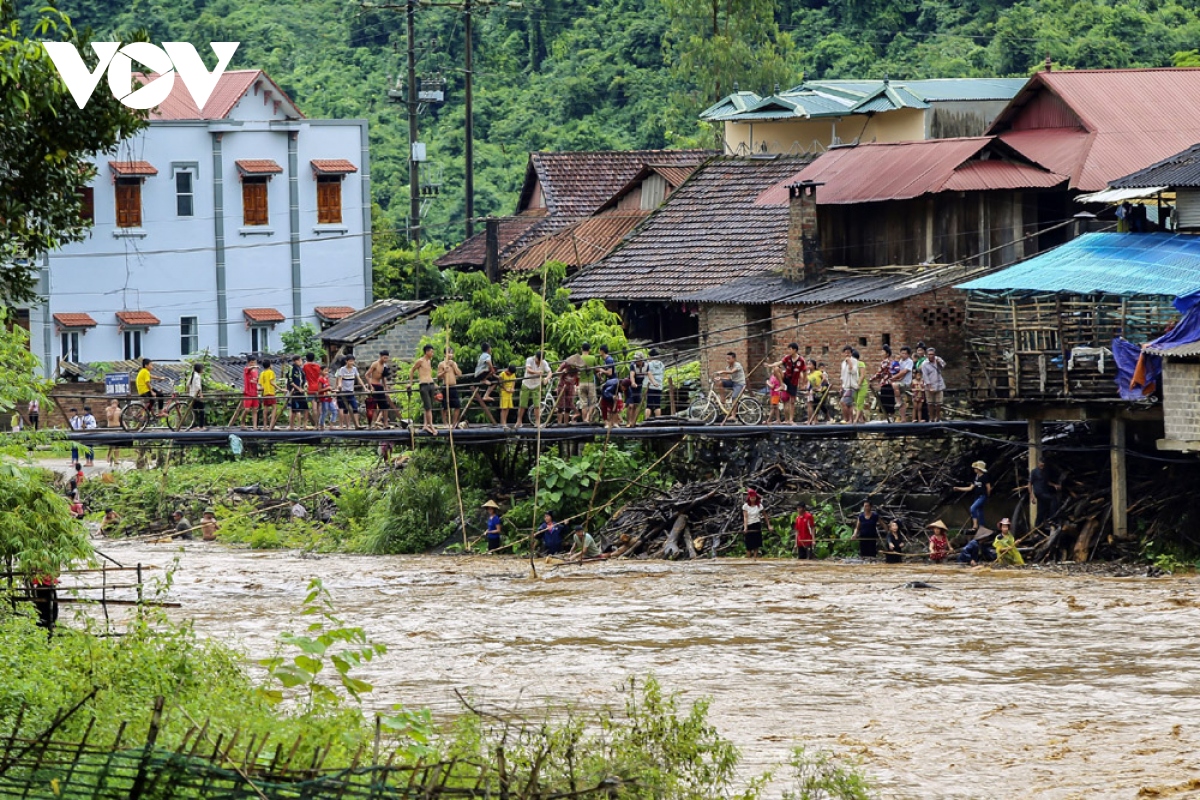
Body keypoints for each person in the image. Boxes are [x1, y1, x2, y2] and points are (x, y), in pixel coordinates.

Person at [770, 343, 805, 425]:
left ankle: (789, 420)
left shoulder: (801, 360)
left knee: (789, 402)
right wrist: (770, 365)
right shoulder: (787, 358)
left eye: (790, 349)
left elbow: (802, 371)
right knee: (775, 405)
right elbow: (779, 363)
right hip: (775, 393)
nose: (788, 351)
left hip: (791, 384)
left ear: (794, 350)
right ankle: (780, 419)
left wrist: (803, 382)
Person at [955, 460, 991, 531]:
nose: (974, 469)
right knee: (979, 511)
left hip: (982, 496)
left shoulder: (985, 477)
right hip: (977, 496)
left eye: (975, 468)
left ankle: (975, 525)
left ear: (979, 469)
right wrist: (958, 488)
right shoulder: (976, 477)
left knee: (972, 508)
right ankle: (982, 526)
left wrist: (987, 496)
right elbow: (970, 488)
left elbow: (988, 487)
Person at [518, 351, 552, 429]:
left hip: (536, 385)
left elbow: (550, 372)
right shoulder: (529, 360)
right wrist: (538, 372)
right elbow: (528, 370)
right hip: (526, 384)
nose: (539, 362)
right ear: (536, 357)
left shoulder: (544, 362)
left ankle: (537, 422)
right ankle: (519, 421)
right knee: (522, 404)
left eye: (540, 361)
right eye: (538, 360)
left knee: (537, 405)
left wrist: (547, 378)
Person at [410, 344, 438, 435]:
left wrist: (434, 383)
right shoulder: (420, 361)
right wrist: (410, 383)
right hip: (424, 385)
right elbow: (412, 370)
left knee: (429, 407)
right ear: (426, 352)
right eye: (431, 351)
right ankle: (431, 426)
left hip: (431, 384)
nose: (432, 353)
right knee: (428, 407)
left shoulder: (429, 361)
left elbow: (428, 374)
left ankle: (426, 424)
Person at [1028, 457, 1062, 530]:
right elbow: (1030, 484)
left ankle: (1037, 526)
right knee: (1053, 499)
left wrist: (1054, 485)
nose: (1042, 466)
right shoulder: (1034, 472)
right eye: (1041, 465)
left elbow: (1047, 482)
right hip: (1039, 492)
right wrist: (1031, 496)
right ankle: (1052, 518)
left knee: (1041, 510)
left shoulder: (1045, 472)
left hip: (1044, 491)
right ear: (1038, 463)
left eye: (1043, 465)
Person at [365, 351, 395, 429]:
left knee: (384, 406)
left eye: (387, 358)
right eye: (384, 358)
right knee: (373, 406)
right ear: (380, 356)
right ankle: (373, 424)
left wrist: (386, 388)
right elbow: (367, 375)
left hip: (379, 386)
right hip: (373, 385)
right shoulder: (375, 364)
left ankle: (385, 423)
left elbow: (383, 378)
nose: (385, 359)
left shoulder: (384, 366)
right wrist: (370, 386)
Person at [229, 357, 260, 429]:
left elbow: (256, 381)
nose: (254, 364)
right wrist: (254, 366)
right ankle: (242, 423)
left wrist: (259, 387)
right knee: (247, 409)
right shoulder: (246, 369)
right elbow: (248, 369)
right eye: (252, 362)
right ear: (249, 362)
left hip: (255, 392)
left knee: (255, 410)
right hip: (248, 393)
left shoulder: (256, 371)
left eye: (255, 362)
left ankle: (255, 426)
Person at [437, 348, 464, 428]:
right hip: (446, 387)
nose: (451, 355)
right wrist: (444, 372)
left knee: (457, 406)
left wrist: (453, 366)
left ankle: (454, 423)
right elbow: (438, 377)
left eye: (452, 353)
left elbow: (459, 374)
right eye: (449, 353)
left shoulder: (454, 363)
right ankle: (445, 423)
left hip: (453, 387)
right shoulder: (441, 364)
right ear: (445, 354)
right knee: (445, 406)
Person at [335, 355, 362, 429]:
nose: (352, 362)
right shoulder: (342, 369)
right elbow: (339, 380)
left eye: (353, 361)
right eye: (350, 361)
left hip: (351, 391)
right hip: (343, 392)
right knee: (345, 409)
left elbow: (359, 378)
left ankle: (357, 424)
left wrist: (364, 387)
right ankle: (348, 426)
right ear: (346, 361)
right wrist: (339, 386)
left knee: (355, 407)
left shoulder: (354, 369)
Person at [871, 345, 897, 422]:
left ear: (887, 354)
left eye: (883, 351)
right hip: (886, 383)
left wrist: (871, 379)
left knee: (887, 401)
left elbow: (879, 373)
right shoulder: (889, 362)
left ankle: (889, 418)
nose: (881, 353)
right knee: (887, 401)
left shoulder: (886, 362)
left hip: (887, 383)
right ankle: (889, 418)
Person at [920, 347, 946, 422]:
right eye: (929, 354)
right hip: (929, 385)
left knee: (939, 403)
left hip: (939, 383)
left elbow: (943, 366)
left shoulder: (938, 359)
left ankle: (938, 417)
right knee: (930, 403)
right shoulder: (924, 364)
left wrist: (938, 363)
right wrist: (929, 387)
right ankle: (931, 418)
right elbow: (925, 376)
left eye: (932, 354)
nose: (931, 356)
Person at [741, 488, 769, 559]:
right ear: (749, 498)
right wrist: (745, 527)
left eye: (754, 498)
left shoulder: (759, 505)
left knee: (756, 544)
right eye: (751, 498)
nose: (752, 499)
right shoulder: (745, 506)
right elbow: (745, 517)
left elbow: (765, 515)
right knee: (749, 545)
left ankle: (755, 558)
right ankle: (748, 559)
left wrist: (769, 525)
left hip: (756, 524)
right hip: (749, 525)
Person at [286, 355, 310, 430]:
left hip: (302, 391)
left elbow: (304, 379)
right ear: (295, 361)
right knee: (294, 410)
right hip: (295, 392)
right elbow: (291, 381)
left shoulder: (301, 370)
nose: (301, 362)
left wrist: (305, 385)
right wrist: (298, 388)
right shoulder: (291, 368)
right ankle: (292, 426)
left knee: (306, 409)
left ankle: (305, 425)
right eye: (300, 360)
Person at [577, 343, 598, 423]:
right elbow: (596, 369)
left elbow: (577, 370)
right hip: (590, 383)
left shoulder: (579, 358)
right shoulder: (592, 358)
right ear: (589, 350)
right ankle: (588, 419)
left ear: (581, 349)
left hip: (581, 383)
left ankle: (584, 421)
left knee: (583, 404)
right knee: (593, 402)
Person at [626, 353, 648, 426]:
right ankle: (628, 422)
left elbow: (649, 374)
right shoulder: (633, 365)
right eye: (636, 359)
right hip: (631, 387)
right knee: (630, 405)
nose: (636, 361)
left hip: (639, 386)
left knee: (635, 405)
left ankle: (633, 422)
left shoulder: (646, 365)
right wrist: (633, 382)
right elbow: (631, 375)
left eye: (638, 359)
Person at [894, 346, 914, 423]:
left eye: (905, 353)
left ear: (908, 354)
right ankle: (903, 418)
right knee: (901, 400)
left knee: (895, 385)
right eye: (901, 353)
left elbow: (904, 372)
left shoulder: (909, 361)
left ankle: (898, 401)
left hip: (905, 383)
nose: (903, 355)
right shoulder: (900, 361)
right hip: (899, 382)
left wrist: (895, 377)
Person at [839, 347, 859, 424]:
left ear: (851, 353)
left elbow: (853, 371)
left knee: (843, 402)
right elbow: (842, 375)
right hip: (845, 385)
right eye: (846, 352)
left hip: (851, 386)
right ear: (843, 353)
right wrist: (841, 386)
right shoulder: (843, 363)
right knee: (849, 404)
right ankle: (850, 420)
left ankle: (847, 419)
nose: (847, 354)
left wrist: (850, 362)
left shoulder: (854, 361)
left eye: (849, 352)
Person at [259, 359, 280, 430]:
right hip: (271, 392)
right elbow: (271, 382)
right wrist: (279, 388)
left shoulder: (262, 373)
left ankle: (265, 426)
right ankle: (271, 425)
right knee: (274, 408)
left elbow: (261, 386)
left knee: (265, 410)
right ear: (270, 365)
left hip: (265, 393)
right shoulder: (271, 372)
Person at [645, 349, 666, 419]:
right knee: (657, 404)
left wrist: (653, 382)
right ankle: (658, 419)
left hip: (651, 386)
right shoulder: (661, 364)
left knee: (649, 405)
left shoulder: (649, 364)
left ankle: (646, 419)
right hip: (659, 386)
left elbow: (648, 373)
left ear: (651, 356)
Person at [303, 352, 323, 424]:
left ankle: (316, 424)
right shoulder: (318, 366)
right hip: (318, 387)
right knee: (319, 406)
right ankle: (321, 423)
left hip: (310, 388)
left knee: (314, 407)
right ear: (314, 358)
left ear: (306, 358)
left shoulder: (305, 366)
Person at [186, 363, 207, 429]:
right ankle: (201, 426)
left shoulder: (192, 375)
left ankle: (193, 425)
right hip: (197, 396)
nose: (203, 370)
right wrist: (201, 395)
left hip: (192, 396)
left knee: (194, 412)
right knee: (202, 411)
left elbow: (187, 385)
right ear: (199, 369)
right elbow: (198, 387)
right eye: (202, 368)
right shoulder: (197, 376)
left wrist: (189, 392)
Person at [911, 345, 928, 423]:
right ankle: (915, 419)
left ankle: (923, 418)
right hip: (916, 388)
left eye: (921, 350)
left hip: (924, 382)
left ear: (924, 351)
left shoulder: (925, 360)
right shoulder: (917, 361)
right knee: (915, 407)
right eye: (918, 350)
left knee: (923, 405)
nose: (919, 352)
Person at [105, 399, 122, 465]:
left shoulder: (119, 410)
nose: (114, 404)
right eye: (113, 403)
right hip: (111, 427)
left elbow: (121, 419)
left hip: (118, 427)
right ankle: (108, 456)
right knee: (111, 443)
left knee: (118, 444)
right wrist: (113, 410)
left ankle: (116, 459)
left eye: (116, 403)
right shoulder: (108, 409)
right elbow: (110, 418)